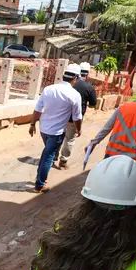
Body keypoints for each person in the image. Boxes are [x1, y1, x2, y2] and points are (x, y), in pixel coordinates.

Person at [29, 63, 83, 193]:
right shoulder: (74, 94)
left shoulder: (49, 89)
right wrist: (78, 129)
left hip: (44, 129)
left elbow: (37, 109)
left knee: (47, 153)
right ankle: (40, 184)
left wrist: (32, 124)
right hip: (57, 132)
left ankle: (40, 178)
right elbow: (77, 117)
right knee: (48, 156)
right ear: (75, 78)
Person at [86, 84, 136, 159]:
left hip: (110, 155)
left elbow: (107, 128)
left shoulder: (124, 107)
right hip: (131, 162)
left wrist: (94, 142)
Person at [55, 62, 98, 169]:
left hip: (60, 115)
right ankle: (63, 161)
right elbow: (93, 105)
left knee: (57, 136)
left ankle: (53, 156)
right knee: (69, 139)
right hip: (74, 119)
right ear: (87, 74)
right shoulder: (89, 87)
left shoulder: (65, 84)